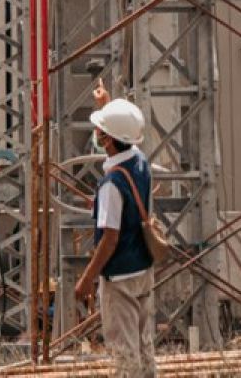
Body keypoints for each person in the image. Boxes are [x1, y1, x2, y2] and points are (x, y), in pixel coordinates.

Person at [75, 79, 156, 378]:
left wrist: (86, 279)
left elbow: (109, 238)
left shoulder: (111, 184)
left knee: (124, 356)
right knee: (144, 347)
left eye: (101, 131)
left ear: (108, 140)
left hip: (119, 279)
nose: (97, 135)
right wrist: (107, 106)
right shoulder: (140, 161)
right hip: (143, 271)